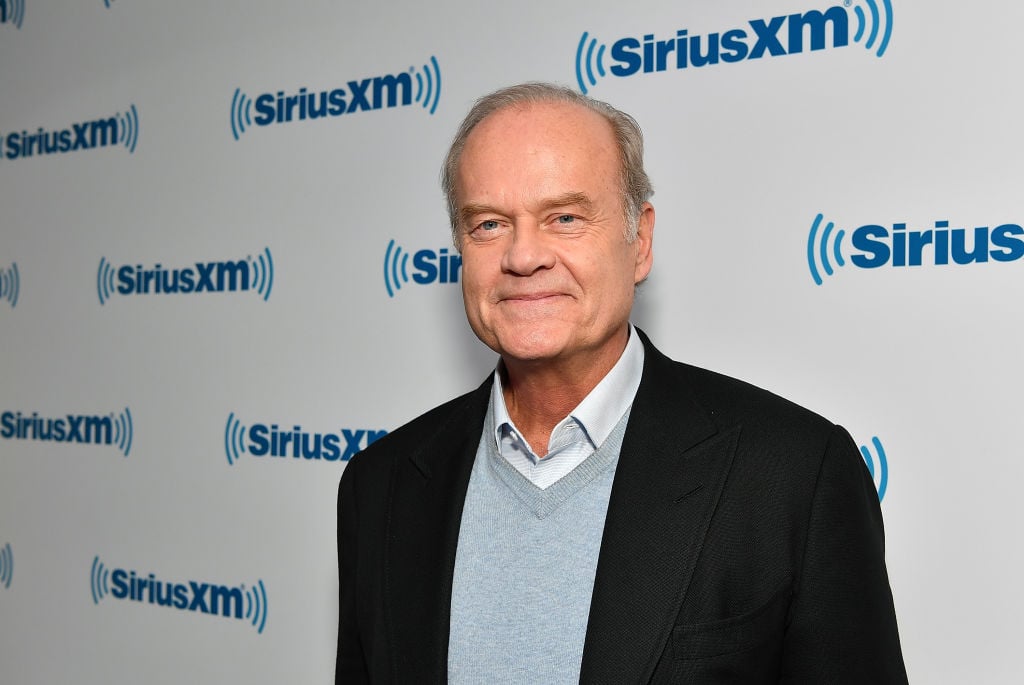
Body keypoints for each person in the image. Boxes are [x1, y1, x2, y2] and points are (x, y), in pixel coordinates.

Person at [336, 82, 907, 683]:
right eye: (488, 224)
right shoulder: (380, 487)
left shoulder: (793, 474)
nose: (523, 256)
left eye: (564, 217)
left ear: (640, 242)